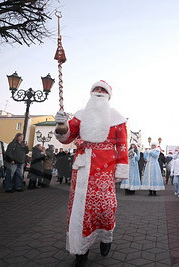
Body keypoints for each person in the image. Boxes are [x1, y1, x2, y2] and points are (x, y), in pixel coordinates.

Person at [54, 80, 128, 265]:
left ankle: (106, 237)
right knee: (80, 210)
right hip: (82, 168)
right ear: (90, 93)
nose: (99, 92)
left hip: (105, 169)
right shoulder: (81, 115)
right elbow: (67, 137)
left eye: (103, 90)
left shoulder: (117, 118)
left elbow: (122, 146)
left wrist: (121, 167)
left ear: (108, 95)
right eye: (96, 89)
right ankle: (81, 250)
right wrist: (61, 124)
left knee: (106, 207)